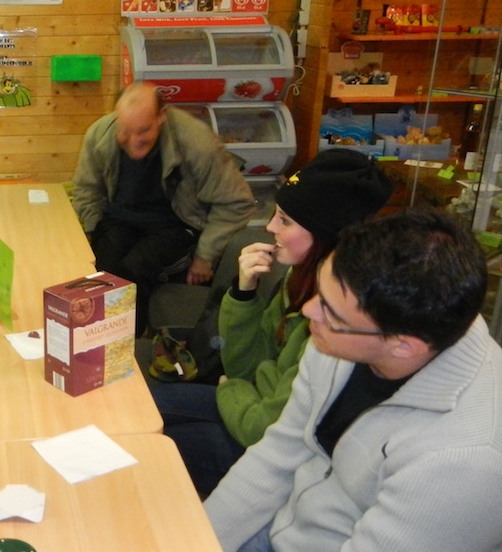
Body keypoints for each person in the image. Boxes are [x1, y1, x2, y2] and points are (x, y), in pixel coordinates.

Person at [204, 208, 502, 552]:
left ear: (403, 346)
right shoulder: (350, 334)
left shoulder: (474, 458)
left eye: (330, 311)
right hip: (304, 542)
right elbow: (277, 455)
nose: (308, 311)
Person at [151, 149, 392, 497]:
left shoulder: (335, 322)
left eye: (285, 220)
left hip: (274, 456)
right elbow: (245, 366)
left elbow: (263, 428)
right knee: (146, 410)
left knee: (156, 451)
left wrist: (230, 389)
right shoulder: (299, 277)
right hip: (249, 407)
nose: (269, 227)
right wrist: (243, 292)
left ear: (325, 234)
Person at [72, 81, 255, 334]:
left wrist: (206, 255)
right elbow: (87, 189)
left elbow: (237, 202)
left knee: (135, 270)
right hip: (120, 218)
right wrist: (91, 232)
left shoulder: (197, 143)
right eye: (125, 131)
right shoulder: (99, 135)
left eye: (143, 131)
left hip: (176, 224)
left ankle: (129, 344)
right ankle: (98, 337)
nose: (134, 141)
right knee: (104, 271)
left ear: (162, 117)